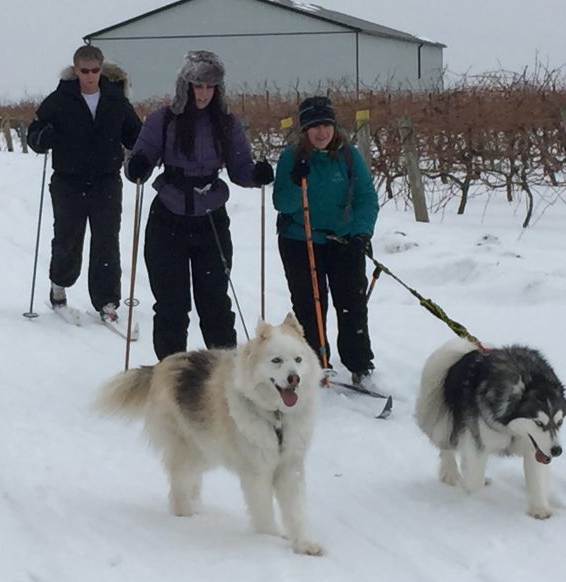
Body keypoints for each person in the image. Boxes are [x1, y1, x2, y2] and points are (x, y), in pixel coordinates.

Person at [124, 50, 274, 360]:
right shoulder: (162, 120)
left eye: (210, 87)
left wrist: (255, 175)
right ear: (185, 85)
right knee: (171, 304)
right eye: (198, 86)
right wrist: (136, 166)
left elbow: (239, 168)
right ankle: (171, 375)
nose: (204, 93)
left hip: (210, 220)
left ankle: (224, 376)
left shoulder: (227, 124)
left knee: (215, 302)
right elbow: (140, 160)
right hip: (168, 217)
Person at [26, 45, 142, 324]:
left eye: (95, 71)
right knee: (67, 237)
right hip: (68, 180)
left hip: (106, 181)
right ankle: (59, 287)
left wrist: (144, 156)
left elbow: (135, 136)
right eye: (84, 71)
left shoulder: (116, 99)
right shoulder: (59, 99)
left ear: (101, 70)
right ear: (76, 70)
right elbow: (34, 133)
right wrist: (42, 137)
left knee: (106, 240)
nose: (90, 76)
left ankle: (107, 301)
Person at [272, 96, 379, 385]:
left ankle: (360, 364)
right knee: (310, 303)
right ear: (304, 129)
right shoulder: (290, 157)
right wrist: (297, 182)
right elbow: (282, 203)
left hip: (344, 239)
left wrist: (361, 232)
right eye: (315, 126)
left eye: (326, 125)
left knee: (352, 303)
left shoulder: (348, 156)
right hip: (300, 238)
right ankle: (316, 361)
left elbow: (366, 198)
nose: (321, 132)